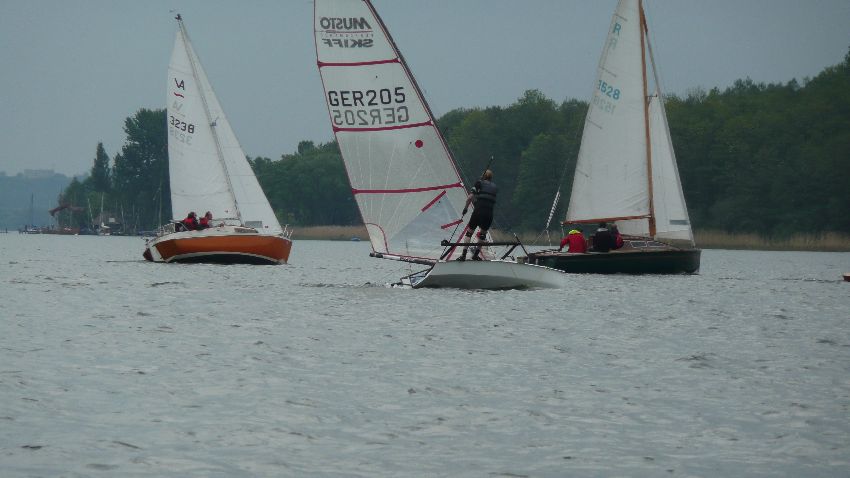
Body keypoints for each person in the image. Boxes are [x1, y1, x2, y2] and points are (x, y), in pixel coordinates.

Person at [458, 169, 498, 261]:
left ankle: (463, 255)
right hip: (489, 213)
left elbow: (470, 198)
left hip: (478, 211)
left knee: (469, 232)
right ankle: (475, 255)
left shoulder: (479, 183)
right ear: (491, 177)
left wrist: (465, 208)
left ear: (483, 176)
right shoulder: (495, 187)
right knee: (482, 235)